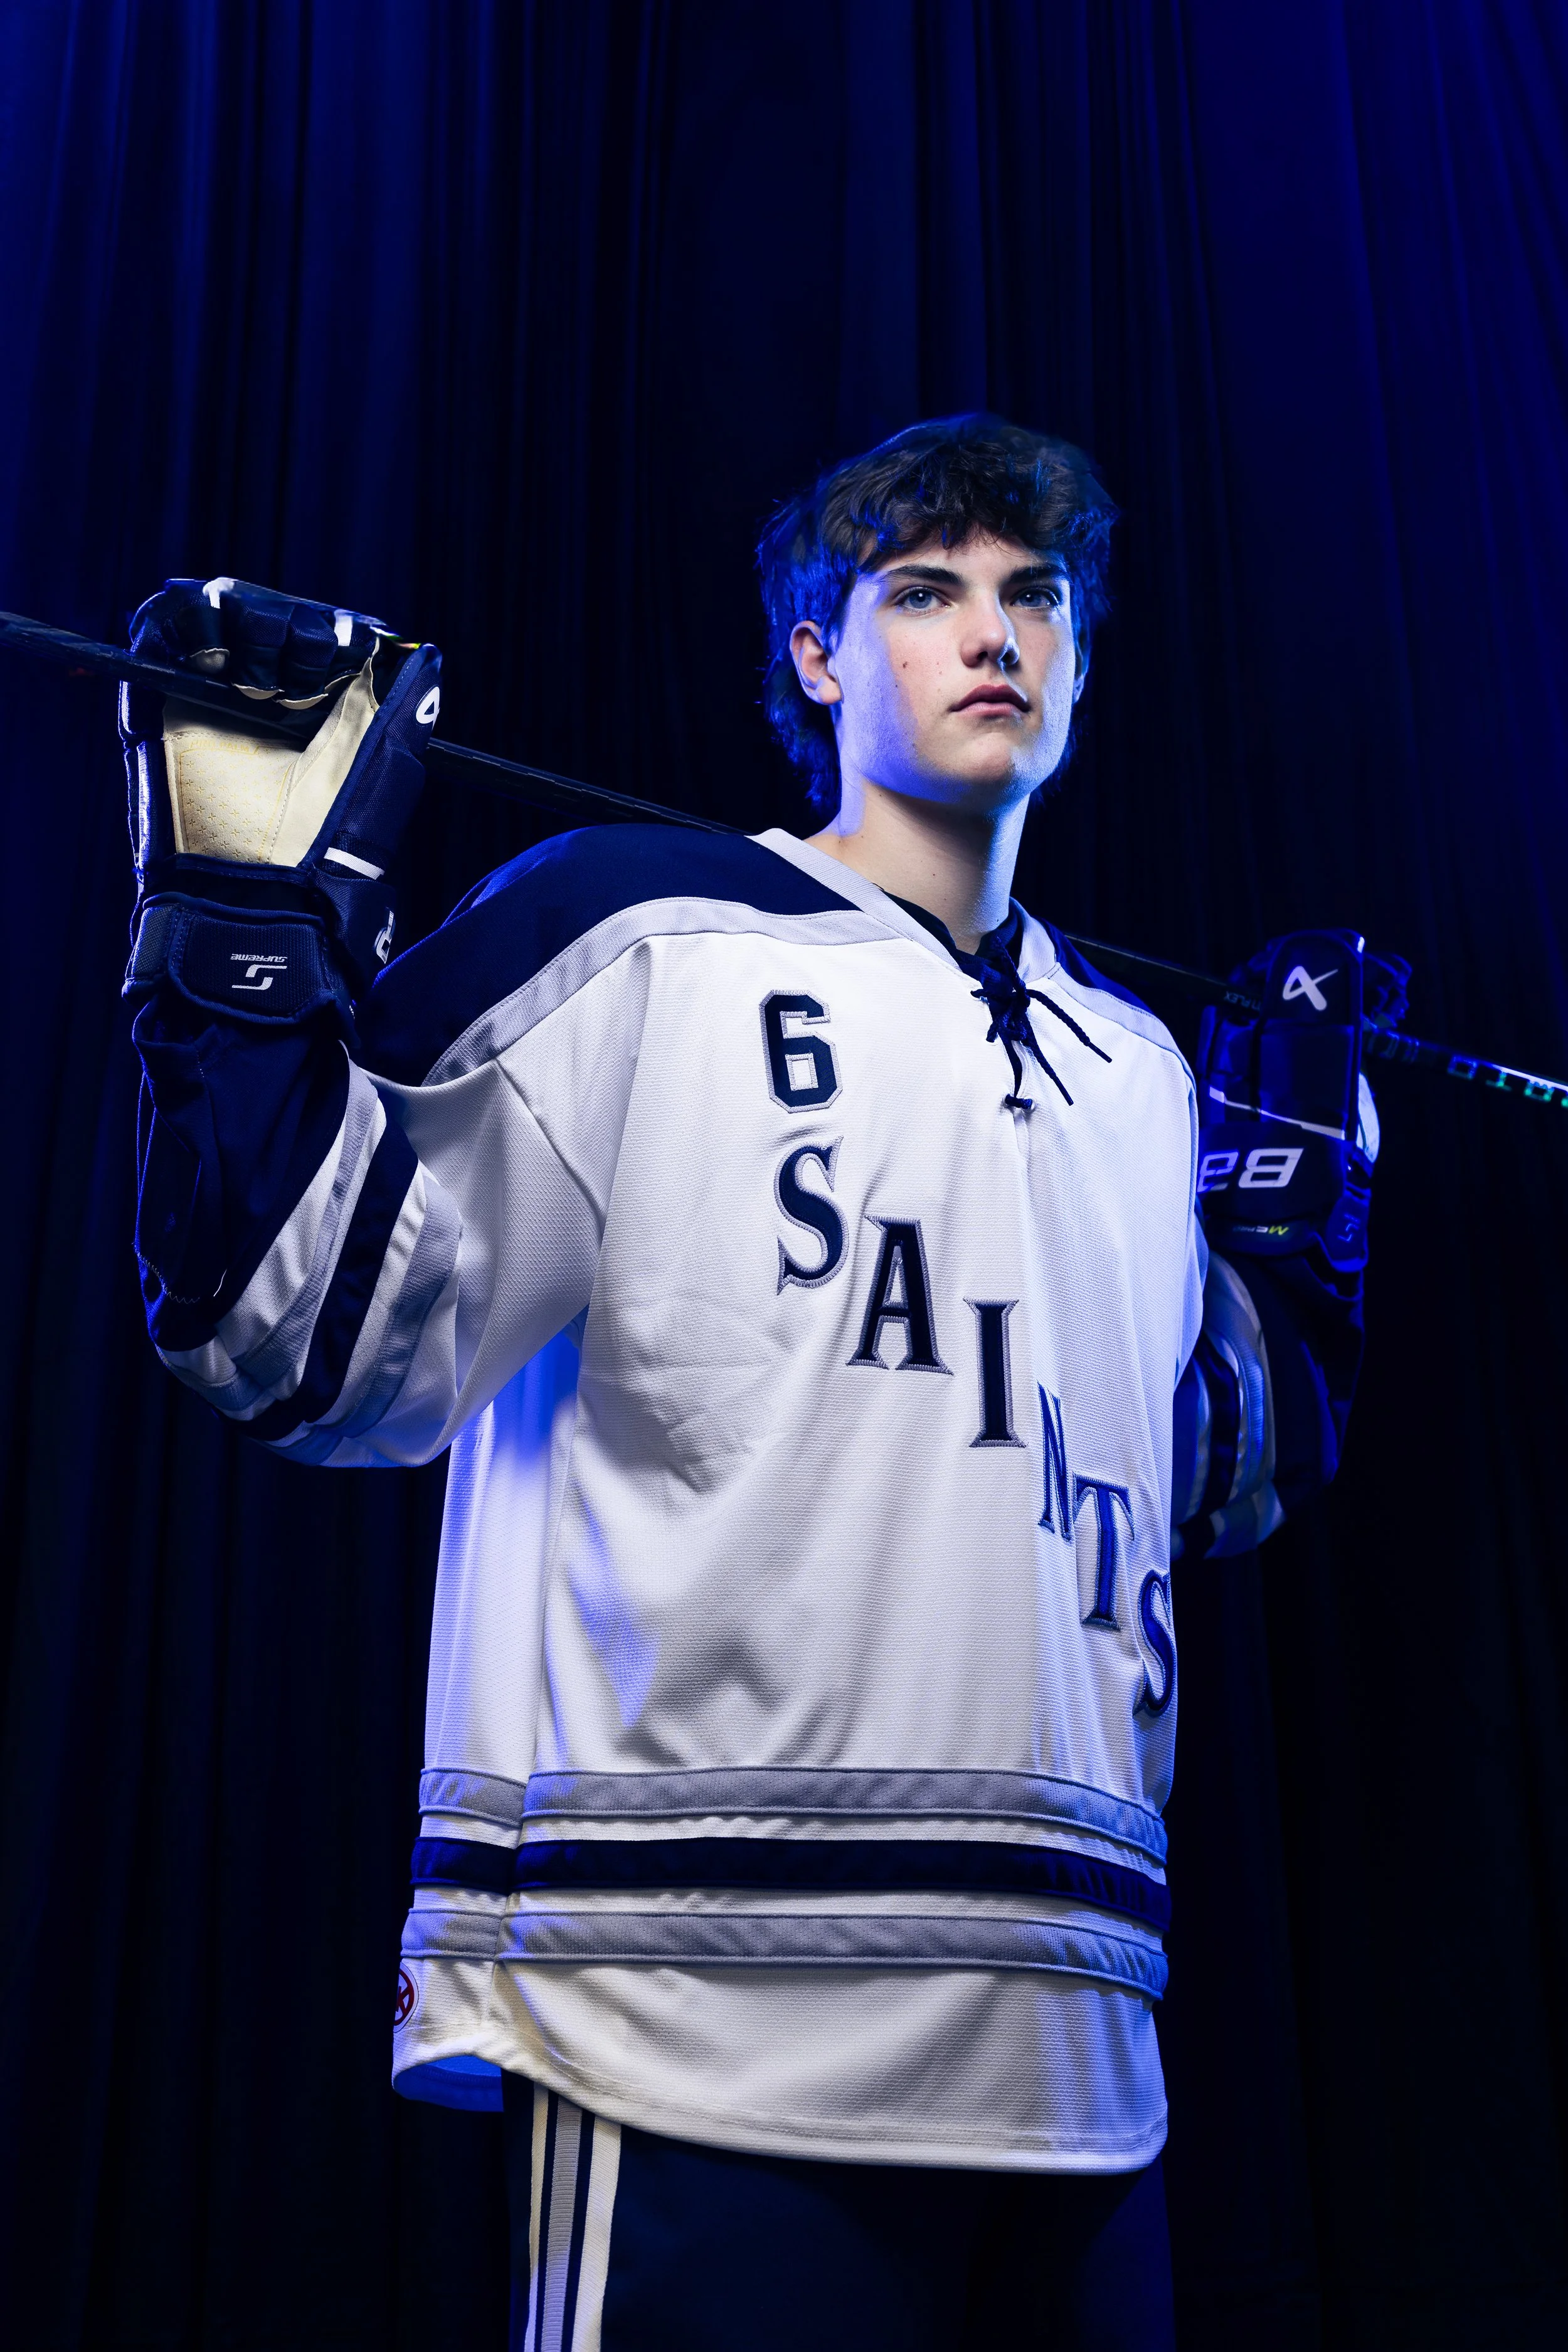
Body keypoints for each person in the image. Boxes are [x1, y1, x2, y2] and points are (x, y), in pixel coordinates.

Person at [118, 415, 1376, 2349]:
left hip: (1076, 2058)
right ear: (814, 653)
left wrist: (1296, 1219)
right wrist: (243, 929)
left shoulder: (1132, 1069)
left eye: (1032, 594)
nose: (991, 633)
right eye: (921, 591)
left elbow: (1212, 1463)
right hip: (697, 2021)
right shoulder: (632, 934)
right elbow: (296, 1332)